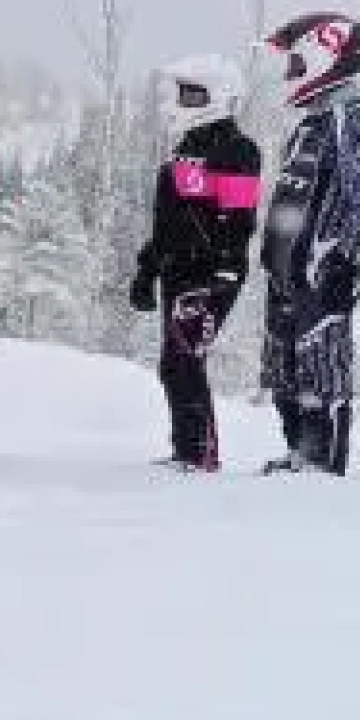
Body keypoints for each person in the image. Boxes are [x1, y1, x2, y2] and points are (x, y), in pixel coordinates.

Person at [256, 11, 360, 476]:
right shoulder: (310, 125)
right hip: (286, 272)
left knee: (322, 372)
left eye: (298, 64)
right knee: (285, 373)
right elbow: (289, 195)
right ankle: (300, 453)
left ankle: (321, 466)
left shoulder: (359, 123)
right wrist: (271, 254)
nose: (291, 74)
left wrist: (346, 264)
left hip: (323, 273)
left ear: (326, 57)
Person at [129, 53, 263, 473]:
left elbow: (239, 218)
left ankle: (200, 455)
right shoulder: (185, 148)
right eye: (181, 92)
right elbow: (168, 221)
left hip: (210, 273)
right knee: (174, 363)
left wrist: (223, 268)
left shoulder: (238, 149)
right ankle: (187, 451)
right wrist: (146, 270)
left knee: (185, 358)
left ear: (218, 95)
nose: (181, 102)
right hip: (177, 269)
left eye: (192, 93)